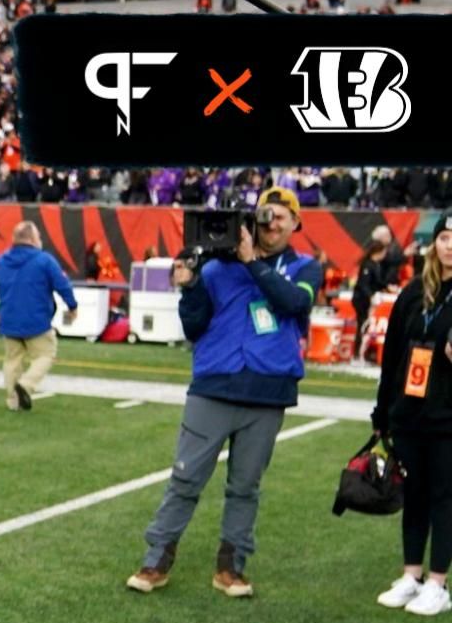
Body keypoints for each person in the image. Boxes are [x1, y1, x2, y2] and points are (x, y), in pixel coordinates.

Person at [127, 188, 318, 598]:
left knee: (245, 486)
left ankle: (231, 566)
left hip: (267, 393)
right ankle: (156, 557)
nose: (272, 223)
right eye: (265, 215)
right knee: (185, 478)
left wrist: (251, 261)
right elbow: (193, 327)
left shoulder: (304, 267)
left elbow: (290, 305)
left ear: (296, 223)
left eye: (282, 216)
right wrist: (190, 286)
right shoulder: (215, 267)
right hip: (214, 386)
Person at [370, 214, 452, 617]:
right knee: (415, 494)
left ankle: (439, 583)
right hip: (409, 412)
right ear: (434, 243)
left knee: (444, 497)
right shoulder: (413, 291)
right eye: (444, 237)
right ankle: (411, 575)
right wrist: (382, 411)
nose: (450, 245)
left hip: (448, 417)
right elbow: (391, 359)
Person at [0, 221, 77, 411]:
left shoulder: (0, 261)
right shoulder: (44, 261)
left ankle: (13, 401)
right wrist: (72, 306)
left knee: (12, 360)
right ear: (33, 239)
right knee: (46, 354)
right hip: (37, 321)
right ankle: (26, 385)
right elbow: (62, 285)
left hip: (9, 320)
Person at [353, 225, 404, 361]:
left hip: (369, 299)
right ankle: (357, 353)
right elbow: (363, 284)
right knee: (363, 324)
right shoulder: (368, 265)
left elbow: (378, 282)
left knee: (367, 325)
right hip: (361, 299)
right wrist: (370, 296)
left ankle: (362, 353)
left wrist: (388, 287)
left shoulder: (376, 265)